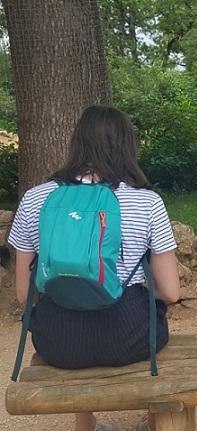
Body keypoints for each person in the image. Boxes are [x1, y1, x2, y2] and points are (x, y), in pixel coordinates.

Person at [8, 106, 180, 431]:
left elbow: (24, 294)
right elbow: (170, 292)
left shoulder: (35, 198)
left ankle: (85, 426)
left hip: (59, 342)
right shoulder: (147, 202)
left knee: (71, 317)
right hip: (129, 337)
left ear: (77, 143)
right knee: (151, 314)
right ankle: (154, 422)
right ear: (128, 146)